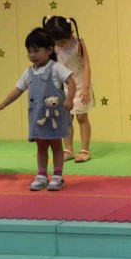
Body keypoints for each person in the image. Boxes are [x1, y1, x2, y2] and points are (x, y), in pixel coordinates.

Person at [0, 28, 76, 191]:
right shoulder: (28, 72)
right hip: (37, 117)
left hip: (54, 116)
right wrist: (2, 104)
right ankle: (42, 175)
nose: (32, 55)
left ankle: (57, 176)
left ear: (49, 50)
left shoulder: (56, 68)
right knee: (41, 146)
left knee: (56, 145)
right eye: (29, 51)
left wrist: (70, 99)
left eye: (36, 51)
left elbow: (71, 82)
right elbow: (18, 90)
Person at [43, 16, 94, 163]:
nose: (60, 44)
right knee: (66, 119)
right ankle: (68, 149)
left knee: (82, 117)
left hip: (80, 84)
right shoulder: (51, 48)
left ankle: (84, 149)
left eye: (63, 41)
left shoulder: (78, 44)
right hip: (62, 87)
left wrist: (86, 87)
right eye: (57, 42)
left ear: (70, 33)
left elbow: (86, 65)